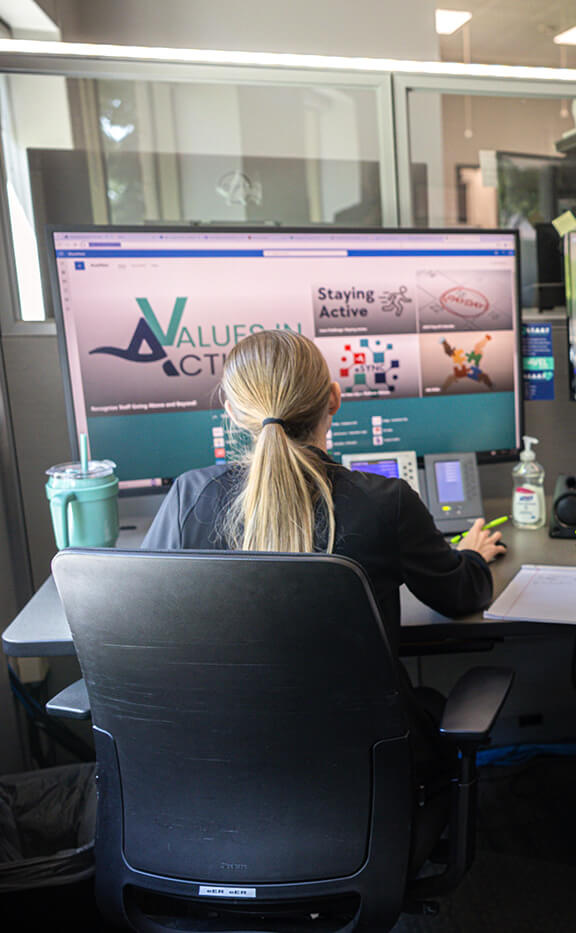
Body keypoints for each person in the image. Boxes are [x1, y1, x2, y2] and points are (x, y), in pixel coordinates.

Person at [143, 330, 506, 868]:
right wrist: (472, 554)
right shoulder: (385, 503)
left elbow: (147, 621)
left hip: (217, 787)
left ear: (234, 412)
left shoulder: (188, 498)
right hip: (360, 783)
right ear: (334, 399)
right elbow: (461, 596)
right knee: (427, 706)